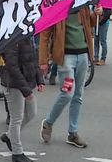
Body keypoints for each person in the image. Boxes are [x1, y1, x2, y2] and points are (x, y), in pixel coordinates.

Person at [39, 8, 94, 148]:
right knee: (67, 93)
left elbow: (90, 24)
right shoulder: (58, 6)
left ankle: (72, 133)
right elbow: (45, 35)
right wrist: (43, 61)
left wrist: (97, 14)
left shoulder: (83, 4)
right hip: (66, 59)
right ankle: (48, 123)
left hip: (83, 56)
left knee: (78, 95)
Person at [0, 37, 45, 162]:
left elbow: (33, 60)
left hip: (26, 82)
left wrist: (39, 79)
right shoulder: (12, 38)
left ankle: (9, 136)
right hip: (13, 84)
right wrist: (26, 91)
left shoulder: (28, 36)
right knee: (17, 118)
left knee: (31, 113)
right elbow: (12, 66)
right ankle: (17, 152)